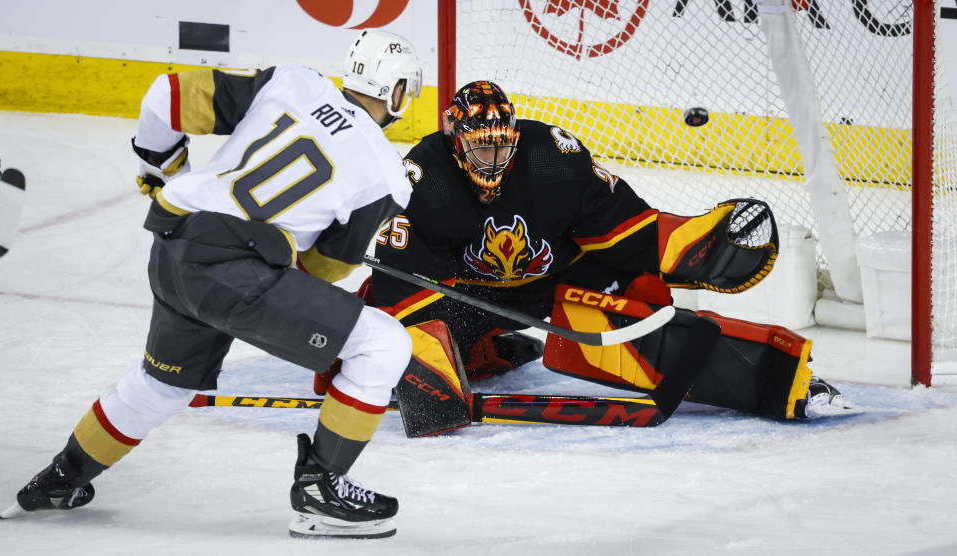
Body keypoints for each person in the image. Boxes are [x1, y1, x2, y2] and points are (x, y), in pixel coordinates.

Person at [1, 29, 422, 539]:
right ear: (398, 93)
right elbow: (325, 270)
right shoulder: (386, 175)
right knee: (383, 345)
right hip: (234, 271)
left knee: (164, 384)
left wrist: (159, 166)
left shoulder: (291, 81)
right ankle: (322, 491)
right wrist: (279, 270)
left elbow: (166, 96)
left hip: (174, 243)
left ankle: (62, 478)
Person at [366, 80, 855, 421]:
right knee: (381, 330)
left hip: (553, 286)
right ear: (455, 143)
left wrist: (689, 246)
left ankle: (771, 378)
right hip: (472, 298)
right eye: (480, 149)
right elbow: (403, 282)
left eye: (501, 147)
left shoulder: (553, 158)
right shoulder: (422, 176)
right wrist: (418, 370)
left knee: (644, 299)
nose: (492, 160)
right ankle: (478, 346)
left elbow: (627, 227)